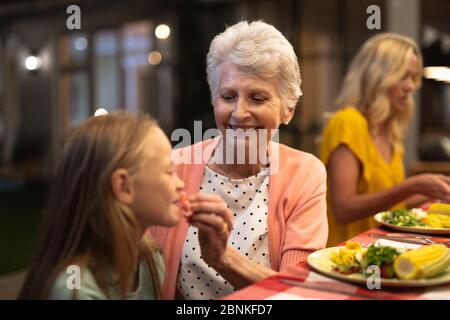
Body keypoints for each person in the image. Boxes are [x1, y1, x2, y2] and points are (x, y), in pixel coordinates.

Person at [150, 20, 328, 300]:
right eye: (228, 96)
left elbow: (300, 291)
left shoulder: (305, 174)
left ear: (288, 110)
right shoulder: (172, 167)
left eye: (257, 98)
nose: (239, 112)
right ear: (213, 99)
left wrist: (223, 259)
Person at [18, 112, 229, 299]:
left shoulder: (150, 260)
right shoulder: (76, 291)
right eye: (168, 171)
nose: (180, 183)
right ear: (123, 186)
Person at [320, 33, 450, 246]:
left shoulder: (390, 131)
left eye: (413, 78)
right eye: (403, 76)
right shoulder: (348, 122)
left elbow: (393, 203)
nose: (411, 86)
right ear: (377, 76)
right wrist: (413, 185)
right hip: (347, 254)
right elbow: (343, 209)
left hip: (381, 248)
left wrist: (433, 190)